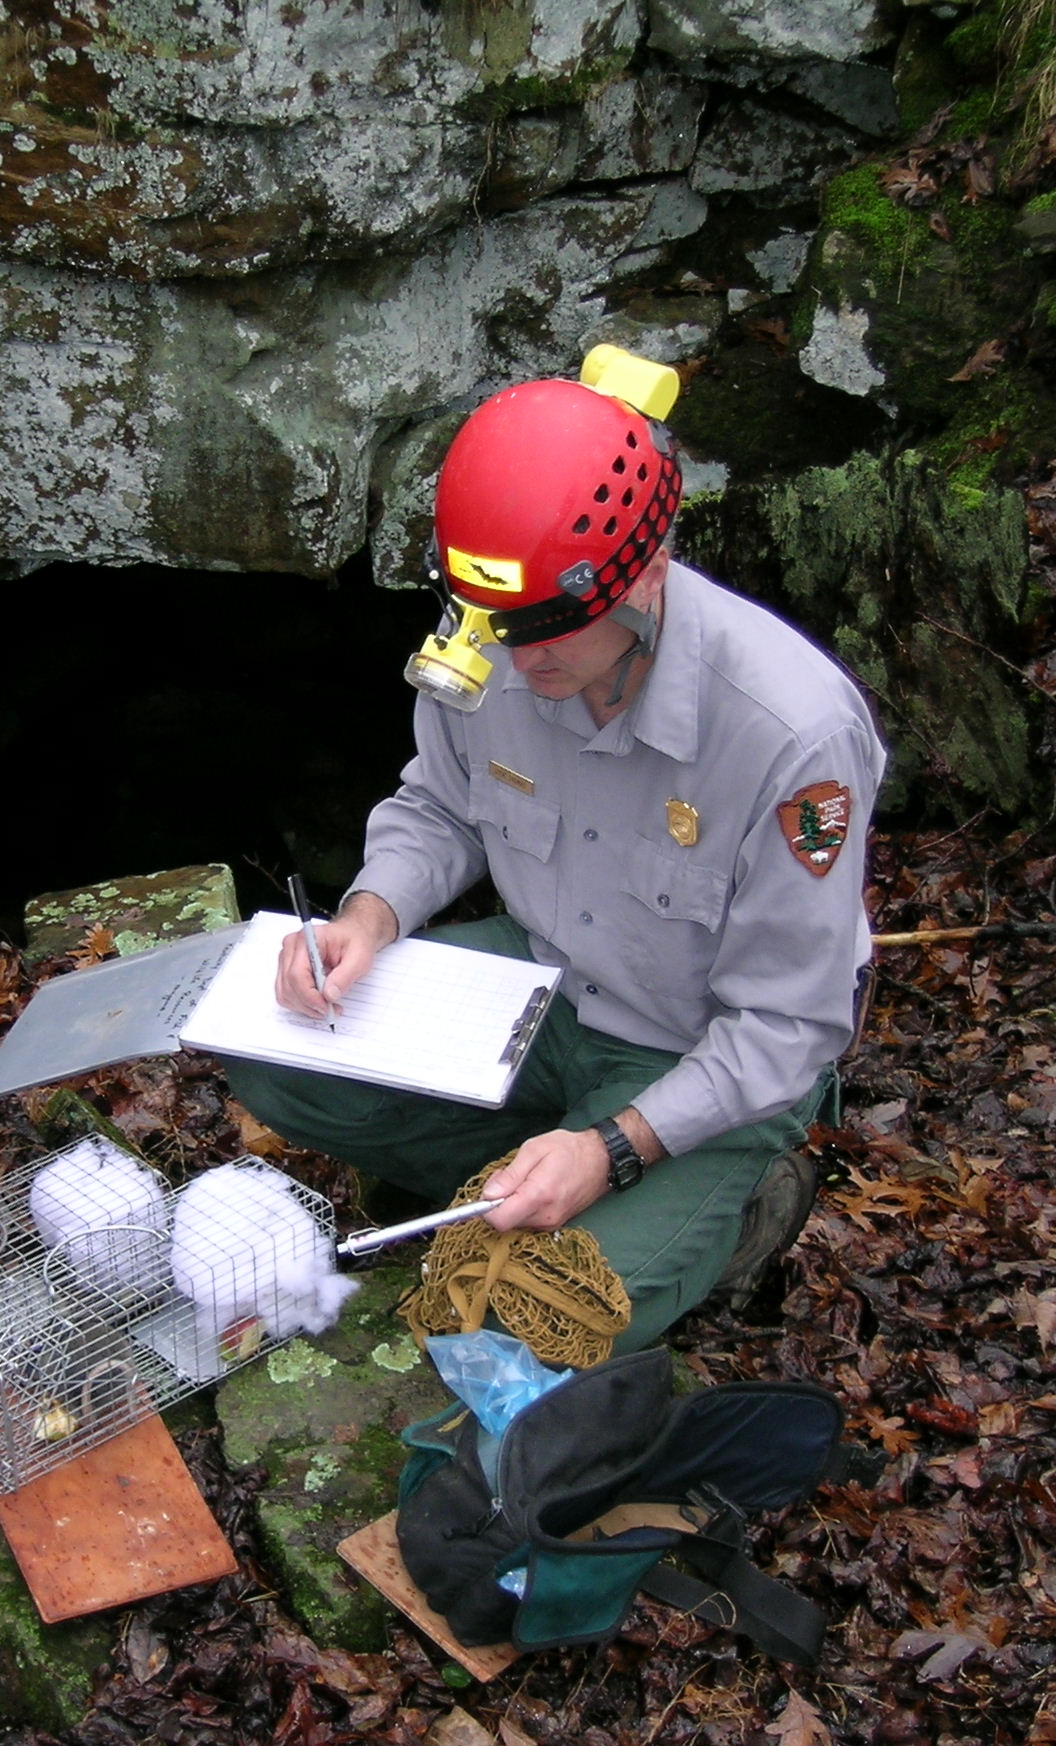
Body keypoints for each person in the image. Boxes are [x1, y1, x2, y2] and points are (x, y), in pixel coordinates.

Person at [222, 345, 886, 1354]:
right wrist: (369, 915)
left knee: (526, 1323)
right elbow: (438, 805)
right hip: (542, 992)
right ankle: (528, 1158)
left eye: (551, 626)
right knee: (277, 1068)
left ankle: (744, 1197)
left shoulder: (792, 738)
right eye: (498, 620)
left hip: (696, 1056)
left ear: (648, 569)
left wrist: (612, 1150)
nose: (519, 658)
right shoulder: (490, 630)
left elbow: (788, 1025)